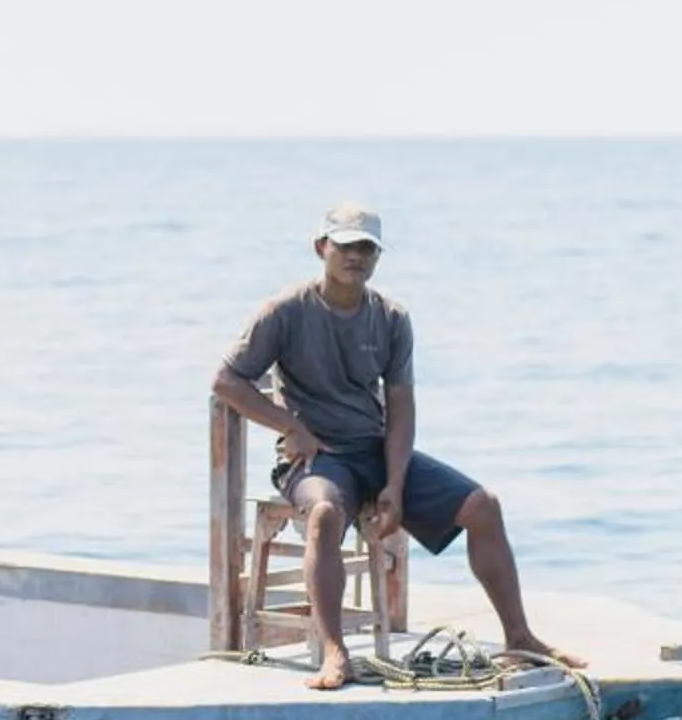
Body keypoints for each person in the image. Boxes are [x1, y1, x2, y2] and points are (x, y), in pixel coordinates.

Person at [211, 202, 577, 690]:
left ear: (378, 256)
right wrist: (289, 425)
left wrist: (396, 484)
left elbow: (401, 408)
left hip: (374, 451)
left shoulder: (391, 317)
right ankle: (335, 653)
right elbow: (226, 381)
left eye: (366, 248)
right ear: (321, 248)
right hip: (316, 458)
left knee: (483, 506)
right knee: (324, 514)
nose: (355, 257)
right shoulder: (285, 311)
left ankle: (520, 636)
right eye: (345, 246)